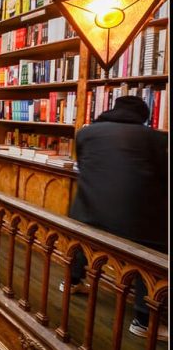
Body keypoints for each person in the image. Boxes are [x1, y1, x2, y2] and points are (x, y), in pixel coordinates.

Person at [64, 96, 168, 340]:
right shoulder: (154, 138)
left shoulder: (86, 133)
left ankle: (71, 281)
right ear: (142, 115)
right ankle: (144, 319)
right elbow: (164, 177)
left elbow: (84, 163)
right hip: (133, 218)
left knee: (82, 236)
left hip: (87, 209)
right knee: (156, 249)